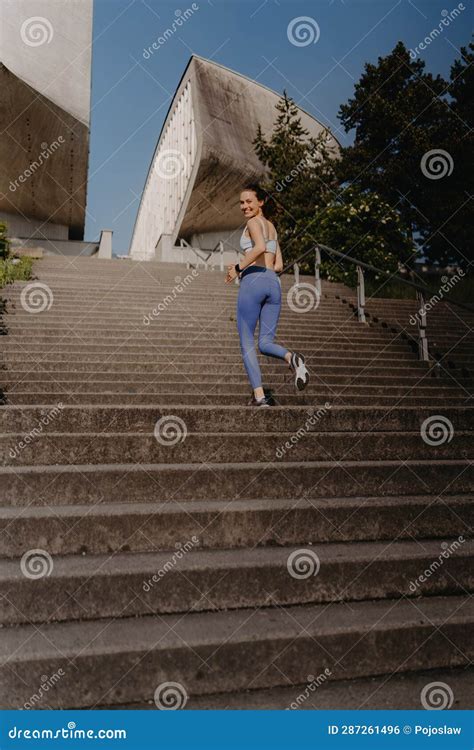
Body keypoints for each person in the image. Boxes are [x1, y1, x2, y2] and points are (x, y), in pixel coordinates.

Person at [225, 184, 309, 407]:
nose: (244, 206)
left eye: (249, 201)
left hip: (253, 281)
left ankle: (260, 396)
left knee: (246, 341)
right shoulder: (272, 226)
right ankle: (291, 358)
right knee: (265, 342)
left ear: (261, 202)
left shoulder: (253, 223)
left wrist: (238, 267)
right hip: (273, 283)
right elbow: (279, 264)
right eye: (241, 202)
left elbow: (259, 247)